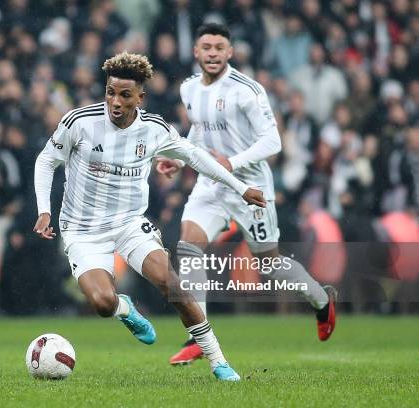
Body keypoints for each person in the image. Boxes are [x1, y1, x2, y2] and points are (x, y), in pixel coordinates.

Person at [33, 51, 266, 381]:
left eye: (125, 95)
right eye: (110, 92)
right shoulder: (79, 122)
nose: (115, 101)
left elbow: (197, 157)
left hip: (129, 223)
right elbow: (45, 161)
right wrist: (44, 209)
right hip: (82, 228)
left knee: (173, 285)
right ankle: (124, 308)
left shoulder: (155, 129)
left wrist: (241, 188)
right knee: (101, 303)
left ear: (140, 98)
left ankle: (218, 361)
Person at [155, 23, 337, 366]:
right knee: (189, 245)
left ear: (230, 52)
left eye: (218, 47)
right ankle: (198, 335)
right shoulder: (189, 88)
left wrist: (232, 161)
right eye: (206, 47)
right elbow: (199, 127)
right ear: (196, 52)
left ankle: (321, 301)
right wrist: (179, 160)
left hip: (251, 188)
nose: (212, 53)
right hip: (211, 183)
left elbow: (273, 141)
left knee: (269, 265)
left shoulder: (246, 90)